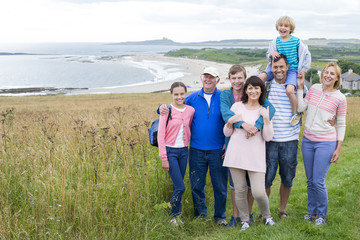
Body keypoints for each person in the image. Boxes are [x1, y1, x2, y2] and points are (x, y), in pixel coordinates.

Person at [159, 67, 228, 226]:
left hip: (218, 149)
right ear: (202, 78)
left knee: (220, 185)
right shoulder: (192, 98)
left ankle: (220, 216)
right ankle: (200, 215)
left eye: (212, 77)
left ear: (217, 79)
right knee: (197, 185)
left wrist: (227, 142)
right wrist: (160, 108)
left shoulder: (224, 97)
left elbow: (230, 116)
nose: (208, 79)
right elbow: (175, 106)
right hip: (196, 150)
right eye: (206, 76)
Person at [220, 64, 276, 227]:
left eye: (256, 88)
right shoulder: (237, 107)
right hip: (236, 154)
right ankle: (244, 220)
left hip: (255, 156)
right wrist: (230, 123)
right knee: (240, 190)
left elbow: (267, 136)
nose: (253, 91)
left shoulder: (265, 109)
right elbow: (226, 133)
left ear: (261, 91)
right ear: (246, 90)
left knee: (258, 191)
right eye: (250, 88)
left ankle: (267, 216)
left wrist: (266, 120)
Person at [297, 62, 347, 226]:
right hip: (308, 141)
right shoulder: (314, 88)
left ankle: (322, 216)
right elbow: (301, 107)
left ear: (337, 78)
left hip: (326, 143)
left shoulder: (340, 98)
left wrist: (338, 148)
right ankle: (312, 213)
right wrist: (299, 88)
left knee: (318, 181)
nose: (328, 75)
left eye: (332, 74)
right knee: (310, 180)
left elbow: (341, 124)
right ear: (322, 74)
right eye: (326, 72)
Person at [265, 54, 301, 219]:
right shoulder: (266, 86)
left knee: (287, 177)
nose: (278, 70)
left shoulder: (296, 87)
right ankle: (265, 213)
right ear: (271, 68)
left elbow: (302, 108)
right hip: (270, 140)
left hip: (290, 140)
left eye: (281, 67)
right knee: (267, 178)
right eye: (275, 67)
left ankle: (282, 210)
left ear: (287, 67)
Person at [258, 16, 311, 126]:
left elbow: (306, 55)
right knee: (259, 79)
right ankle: (255, 104)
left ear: (291, 29)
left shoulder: (296, 41)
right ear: (277, 27)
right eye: (280, 25)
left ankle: (295, 113)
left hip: (291, 70)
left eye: (286, 26)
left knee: (289, 91)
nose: (283, 28)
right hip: (275, 67)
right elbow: (269, 55)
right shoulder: (275, 41)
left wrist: (304, 70)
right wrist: (271, 55)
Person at [157, 82, 195, 226]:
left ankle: (177, 216)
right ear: (171, 94)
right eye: (176, 94)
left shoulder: (190, 110)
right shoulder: (166, 110)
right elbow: (161, 135)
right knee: (180, 187)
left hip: (184, 151)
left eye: (182, 94)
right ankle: (173, 217)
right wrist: (164, 158)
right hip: (170, 151)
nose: (179, 97)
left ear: (186, 93)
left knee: (177, 185)